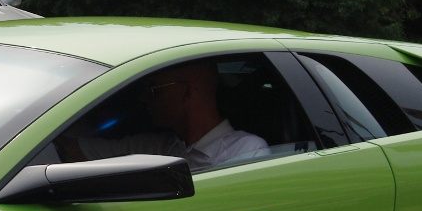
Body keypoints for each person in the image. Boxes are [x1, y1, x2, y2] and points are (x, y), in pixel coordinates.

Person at [60, 60, 267, 171]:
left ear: (185, 93)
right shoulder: (155, 147)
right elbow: (74, 151)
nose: (142, 98)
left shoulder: (246, 152)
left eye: (152, 90)